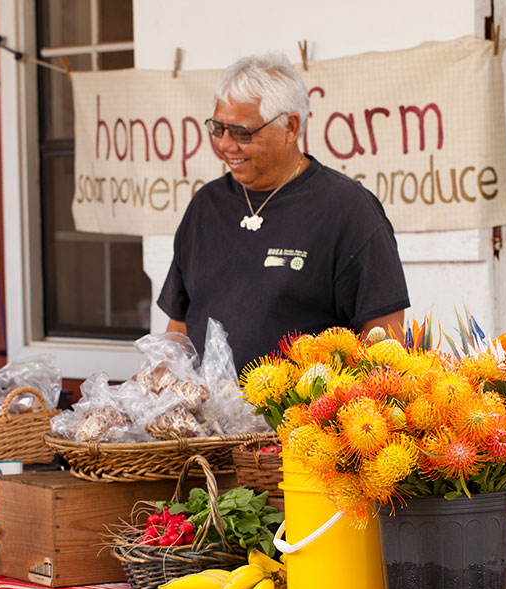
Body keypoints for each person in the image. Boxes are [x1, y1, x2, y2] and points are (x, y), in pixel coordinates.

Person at [158, 52, 410, 371]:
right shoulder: (205, 206)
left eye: (241, 132)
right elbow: (179, 326)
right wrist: (164, 382)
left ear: (290, 127)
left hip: (299, 418)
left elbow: (384, 339)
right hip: (206, 418)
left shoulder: (349, 209)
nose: (224, 144)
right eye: (217, 128)